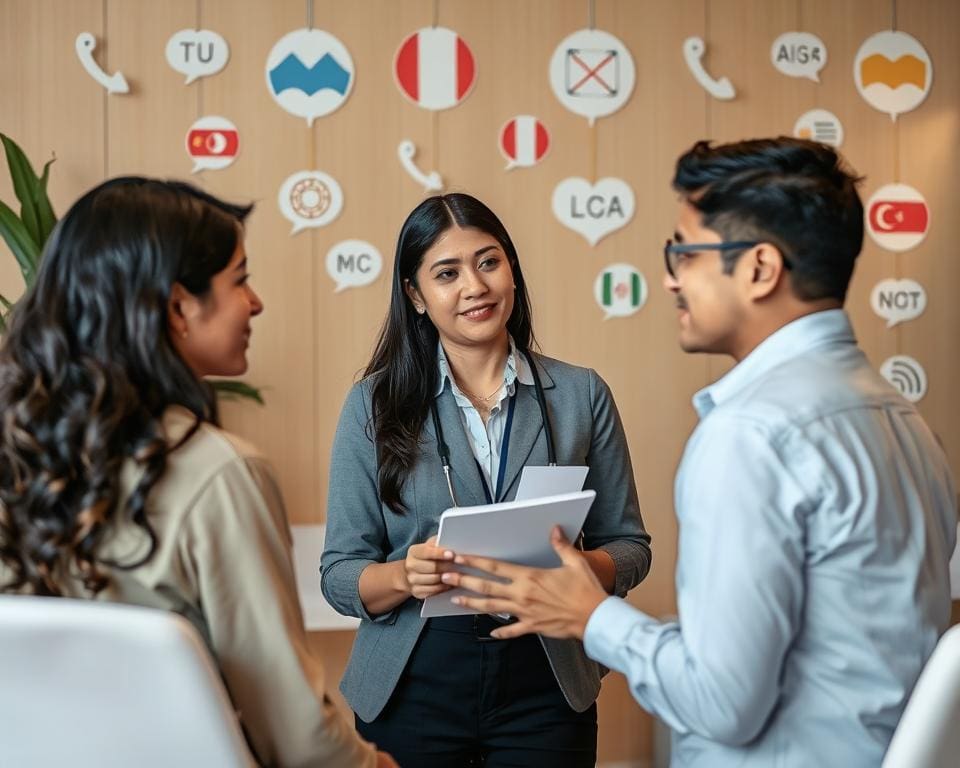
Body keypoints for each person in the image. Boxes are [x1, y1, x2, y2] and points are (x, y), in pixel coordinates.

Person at [442, 138, 958, 767]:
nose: (670, 277)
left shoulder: (750, 434)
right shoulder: (904, 420)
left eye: (684, 252)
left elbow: (722, 703)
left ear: (760, 269)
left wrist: (591, 615)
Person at [0, 177, 395, 768]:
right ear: (178, 306)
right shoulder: (221, 476)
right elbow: (299, 740)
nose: (255, 302)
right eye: (239, 279)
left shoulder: (19, 456)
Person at [320, 192, 651, 767]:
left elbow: (630, 548)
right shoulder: (372, 406)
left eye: (489, 262)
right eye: (446, 273)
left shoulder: (581, 395)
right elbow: (339, 575)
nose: (475, 286)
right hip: (413, 676)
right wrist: (404, 574)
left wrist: (583, 567)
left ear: (513, 273)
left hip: (546, 676)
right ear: (416, 296)